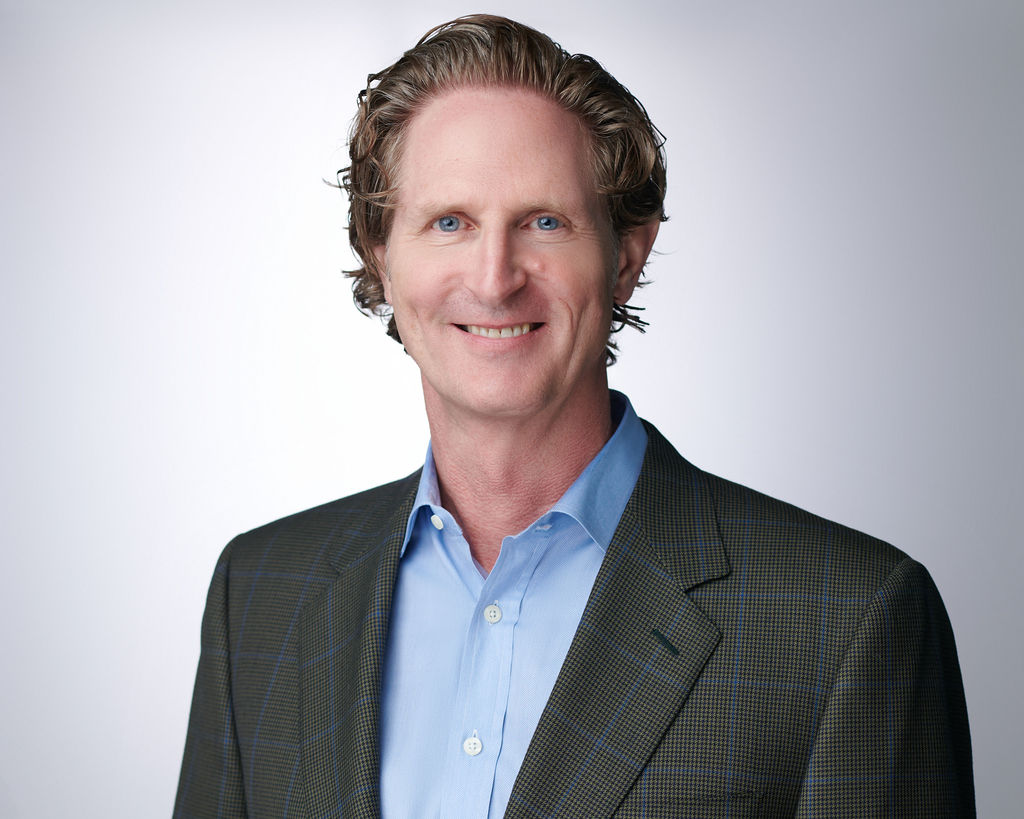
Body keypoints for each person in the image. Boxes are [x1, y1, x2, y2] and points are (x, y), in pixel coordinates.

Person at [174, 15, 973, 818]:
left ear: (626, 257)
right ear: (382, 257)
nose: (494, 279)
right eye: (449, 222)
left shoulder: (847, 619)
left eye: (544, 222)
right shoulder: (259, 595)